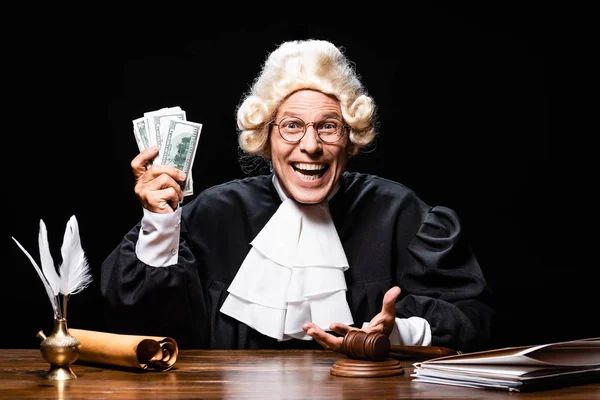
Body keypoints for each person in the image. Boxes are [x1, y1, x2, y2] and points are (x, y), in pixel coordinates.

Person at [100, 38, 494, 353]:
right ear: (265, 140)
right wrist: (160, 223)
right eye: (291, 125)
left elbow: (474, 320)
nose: (311, 145)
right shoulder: (212, 212)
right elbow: (147, 329)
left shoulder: (400, 212)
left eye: (328, 127)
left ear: (350, 142)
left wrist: (397, 334)